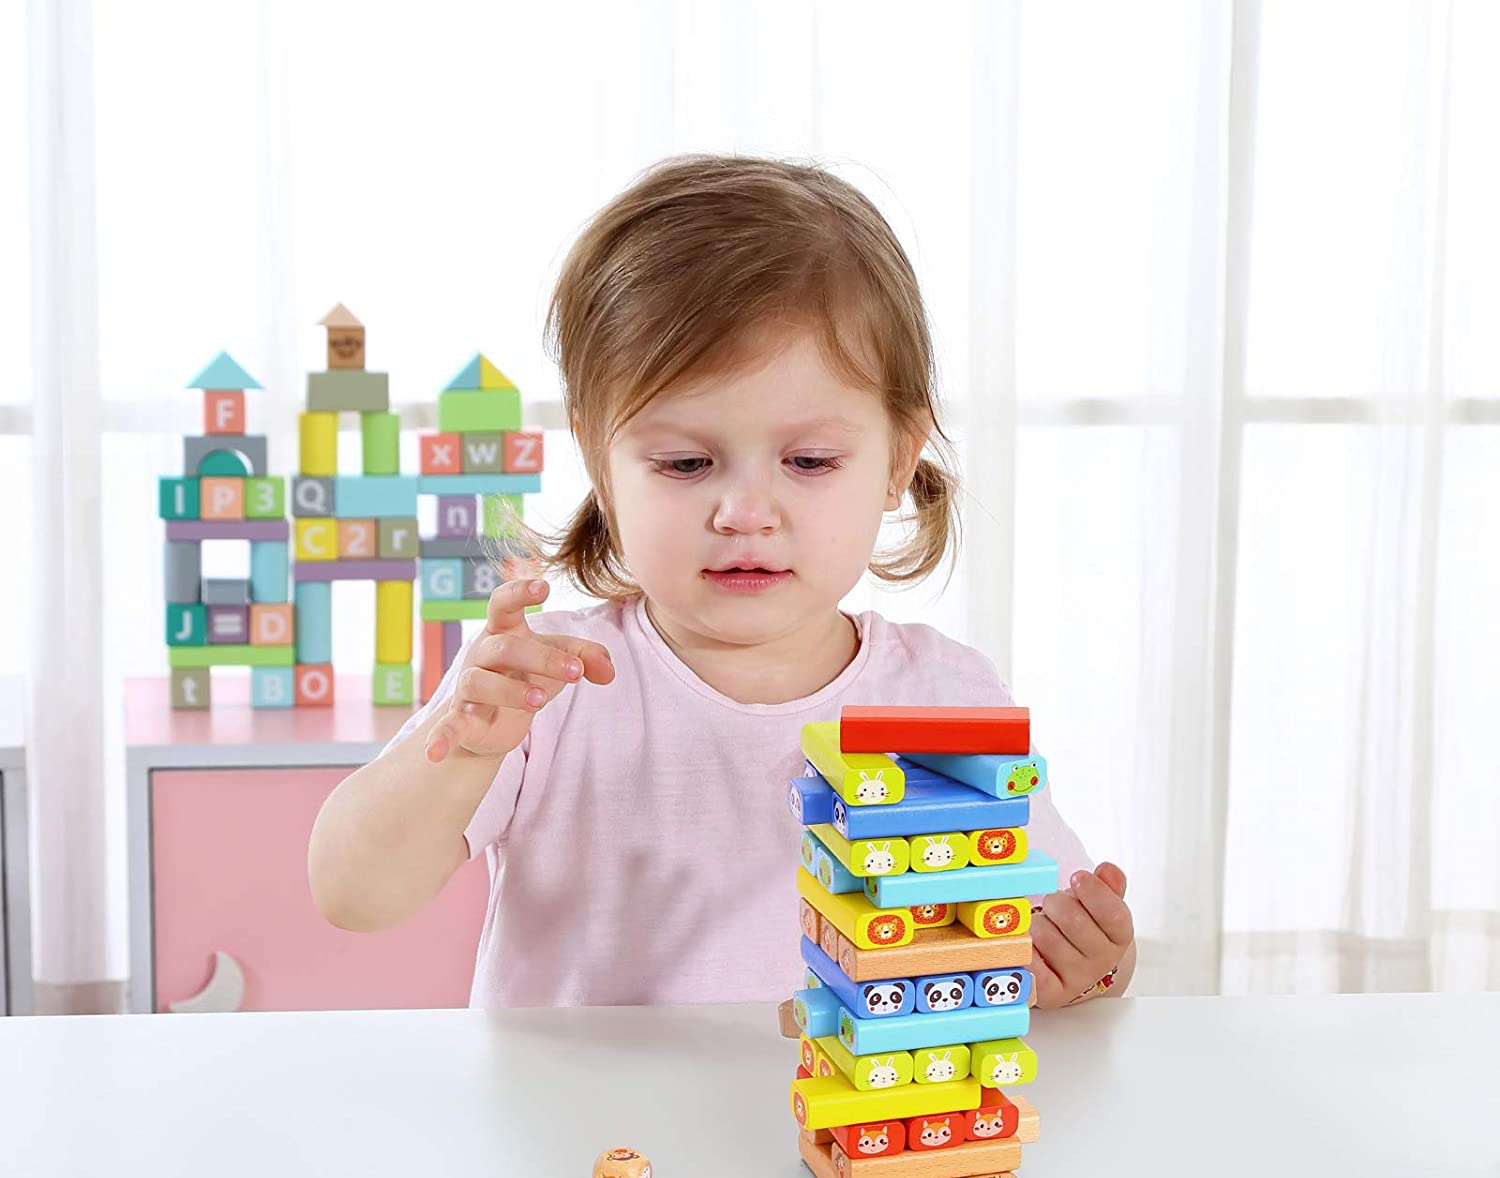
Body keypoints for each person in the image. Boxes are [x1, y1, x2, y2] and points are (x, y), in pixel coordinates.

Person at [308, 154, 1136, 1010]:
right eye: (687, 461)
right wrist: (465, 747)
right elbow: (352, 894)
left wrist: (1087, 966)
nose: (745, 511)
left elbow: (1042, 937)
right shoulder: (547, 684)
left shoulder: (949, 700)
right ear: (601, 457)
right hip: (585, 1137)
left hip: (837, 1133)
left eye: (809, 460)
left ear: (898, 457)